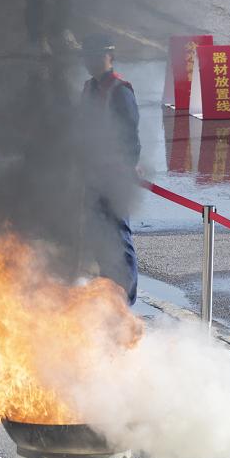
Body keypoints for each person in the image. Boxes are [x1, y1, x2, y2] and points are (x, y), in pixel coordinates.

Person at [79, 33, 140, 304]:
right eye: (88, 55)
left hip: (113, 177)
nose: (91, 60)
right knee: (98, 235)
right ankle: (108, 292)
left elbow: (130, 137)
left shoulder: (120, 91)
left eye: (97, 55)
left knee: (118, 237)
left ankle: (125, 299)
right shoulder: (88, 88)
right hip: (92, 175)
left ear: (110, 57)